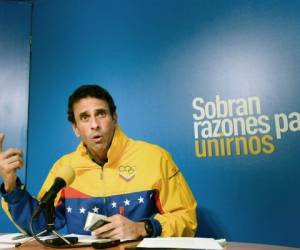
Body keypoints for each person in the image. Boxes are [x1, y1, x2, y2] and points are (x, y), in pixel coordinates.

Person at [0, 84, 197, 240]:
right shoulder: (64, 167)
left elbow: (187, 219)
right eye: (85, 118)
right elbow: (40, 226)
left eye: (101, 114)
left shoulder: (156, 158)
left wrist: (142, 228)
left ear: (115, 118)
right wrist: (10, 184)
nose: (94, 125)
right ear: (76, 128)